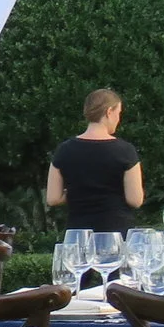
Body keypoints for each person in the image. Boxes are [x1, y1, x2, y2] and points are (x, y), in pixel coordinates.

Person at [45, 88, 145, 233]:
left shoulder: (64, 150)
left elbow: (53, 199)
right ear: (109, 112)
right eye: (118, 113)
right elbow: (135, 200)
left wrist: (79, 192)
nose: (119, 119)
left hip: (78, 234)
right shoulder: (125, 151)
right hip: (115, 233)